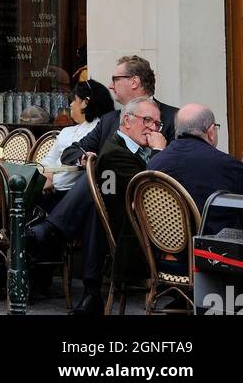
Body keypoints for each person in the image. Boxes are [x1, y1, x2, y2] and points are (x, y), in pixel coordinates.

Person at [30, 54, 177, 314]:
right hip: (109, 204)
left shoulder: (170, 118)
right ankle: (91, 294)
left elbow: (173, 171)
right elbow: (72, 151)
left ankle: (52, 232)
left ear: (134, 82)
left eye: (115, 79)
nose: (110, 86)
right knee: (96, 201)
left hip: (148, 207)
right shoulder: (111, 120)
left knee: (95, 186)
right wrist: (85, 156)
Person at [95, 97, 165, 285]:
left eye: (157, 124)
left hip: (147, 233)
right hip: (137, 242)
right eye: (147, 120)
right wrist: (159, 151)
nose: (153, 128)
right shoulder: (115, 154)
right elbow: (151, 192)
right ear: (127, 120)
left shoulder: (133, 149)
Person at [150, 104, 243, 232]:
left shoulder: (155, 163)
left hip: (169, 248)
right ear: (211, 132)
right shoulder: (228, 166)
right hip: (214, 248)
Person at [42, 80, 116, 199]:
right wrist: (45, 177)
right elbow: (49, 159)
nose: (71, 104)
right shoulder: (66, 131)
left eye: (74, 100)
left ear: (85, 102)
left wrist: (51, 178)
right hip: (49, 187)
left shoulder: (98, 130)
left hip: (70, 194)